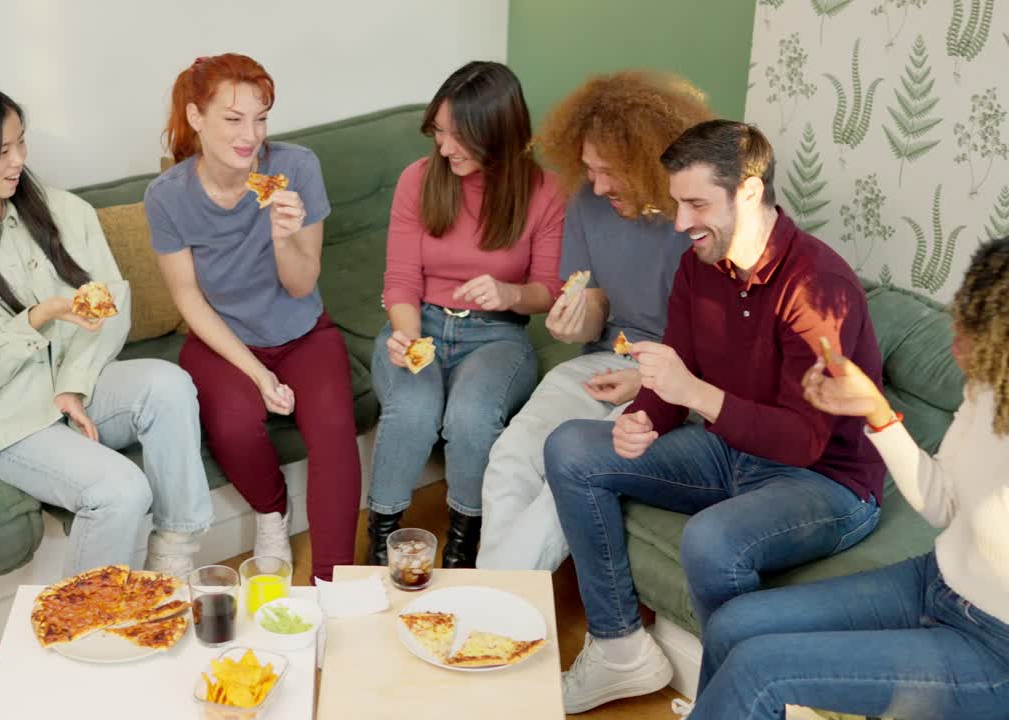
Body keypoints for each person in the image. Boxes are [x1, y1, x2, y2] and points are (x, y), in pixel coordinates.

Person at [545, 120, 886, 712]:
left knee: (711, 541)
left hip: (826, 482)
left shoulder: (820, 288)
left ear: (749, 193)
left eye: (696, 204)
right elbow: (675, 372)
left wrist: (694, 395)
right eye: (678, 203)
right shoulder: (700, 265)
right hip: (731, 450)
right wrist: (645, 417)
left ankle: (729, 701)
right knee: (570, 449)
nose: (680, 223)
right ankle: (619, 646)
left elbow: (804, 440)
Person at [0, 84, 212, 578]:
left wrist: (73, 384)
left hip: (75, 387)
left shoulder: (65, 212)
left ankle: (173, 560)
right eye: (0, 152)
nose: (18, 160)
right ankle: (89, 624)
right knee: (121, 491)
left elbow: (111, 307)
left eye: (21, 142)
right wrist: (39, 316)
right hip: (3, 416)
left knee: (168, 385)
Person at [685, 236, 1009, 719]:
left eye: (976, 339)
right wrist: (876, 412)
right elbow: (941, 503)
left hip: (995, 648)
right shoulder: (987, 390)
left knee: (760, 669)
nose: (957, 347)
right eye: (962, 323)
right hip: (934, 583)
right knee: (733, 625)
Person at [476, 70, 713, 572]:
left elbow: (719, 349)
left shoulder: (700, 219)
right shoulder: (587, 201)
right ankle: (499, 612)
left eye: (611, 171)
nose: (598, 184)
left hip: (677, 383)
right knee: (511, 458)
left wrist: (644, 380)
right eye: (589, 169)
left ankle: (489, 611)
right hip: (606, 363)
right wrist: (573, 321)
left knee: (568, 473)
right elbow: (595, 305)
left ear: (654, 160)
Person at [145, 54, 361, 582]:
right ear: (196, 117)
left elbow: (302, 284)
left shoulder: (297, 168)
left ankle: (331, 586)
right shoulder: (166, 197)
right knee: (234, 425)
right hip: (225, 340)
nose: (251, 136)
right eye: (233, 119)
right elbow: (188, 299)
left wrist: (282, 237)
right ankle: (272, 513)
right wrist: (257, 374)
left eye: (260, 118)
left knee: (335, 430)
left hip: (304, 331)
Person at [365, 61, 565, 569]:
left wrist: (509, 294)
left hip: (496, 338)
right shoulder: (419, 179)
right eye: (439, 131)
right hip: (420, 322)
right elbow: (401, 281)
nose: (445, 147)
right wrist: (407, 338)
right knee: (412, 408)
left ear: (498, 133)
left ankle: (462, 543)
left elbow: (549, 291)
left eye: (460, 136)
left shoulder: (544, 193)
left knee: (473, 416)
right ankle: (380, 538)